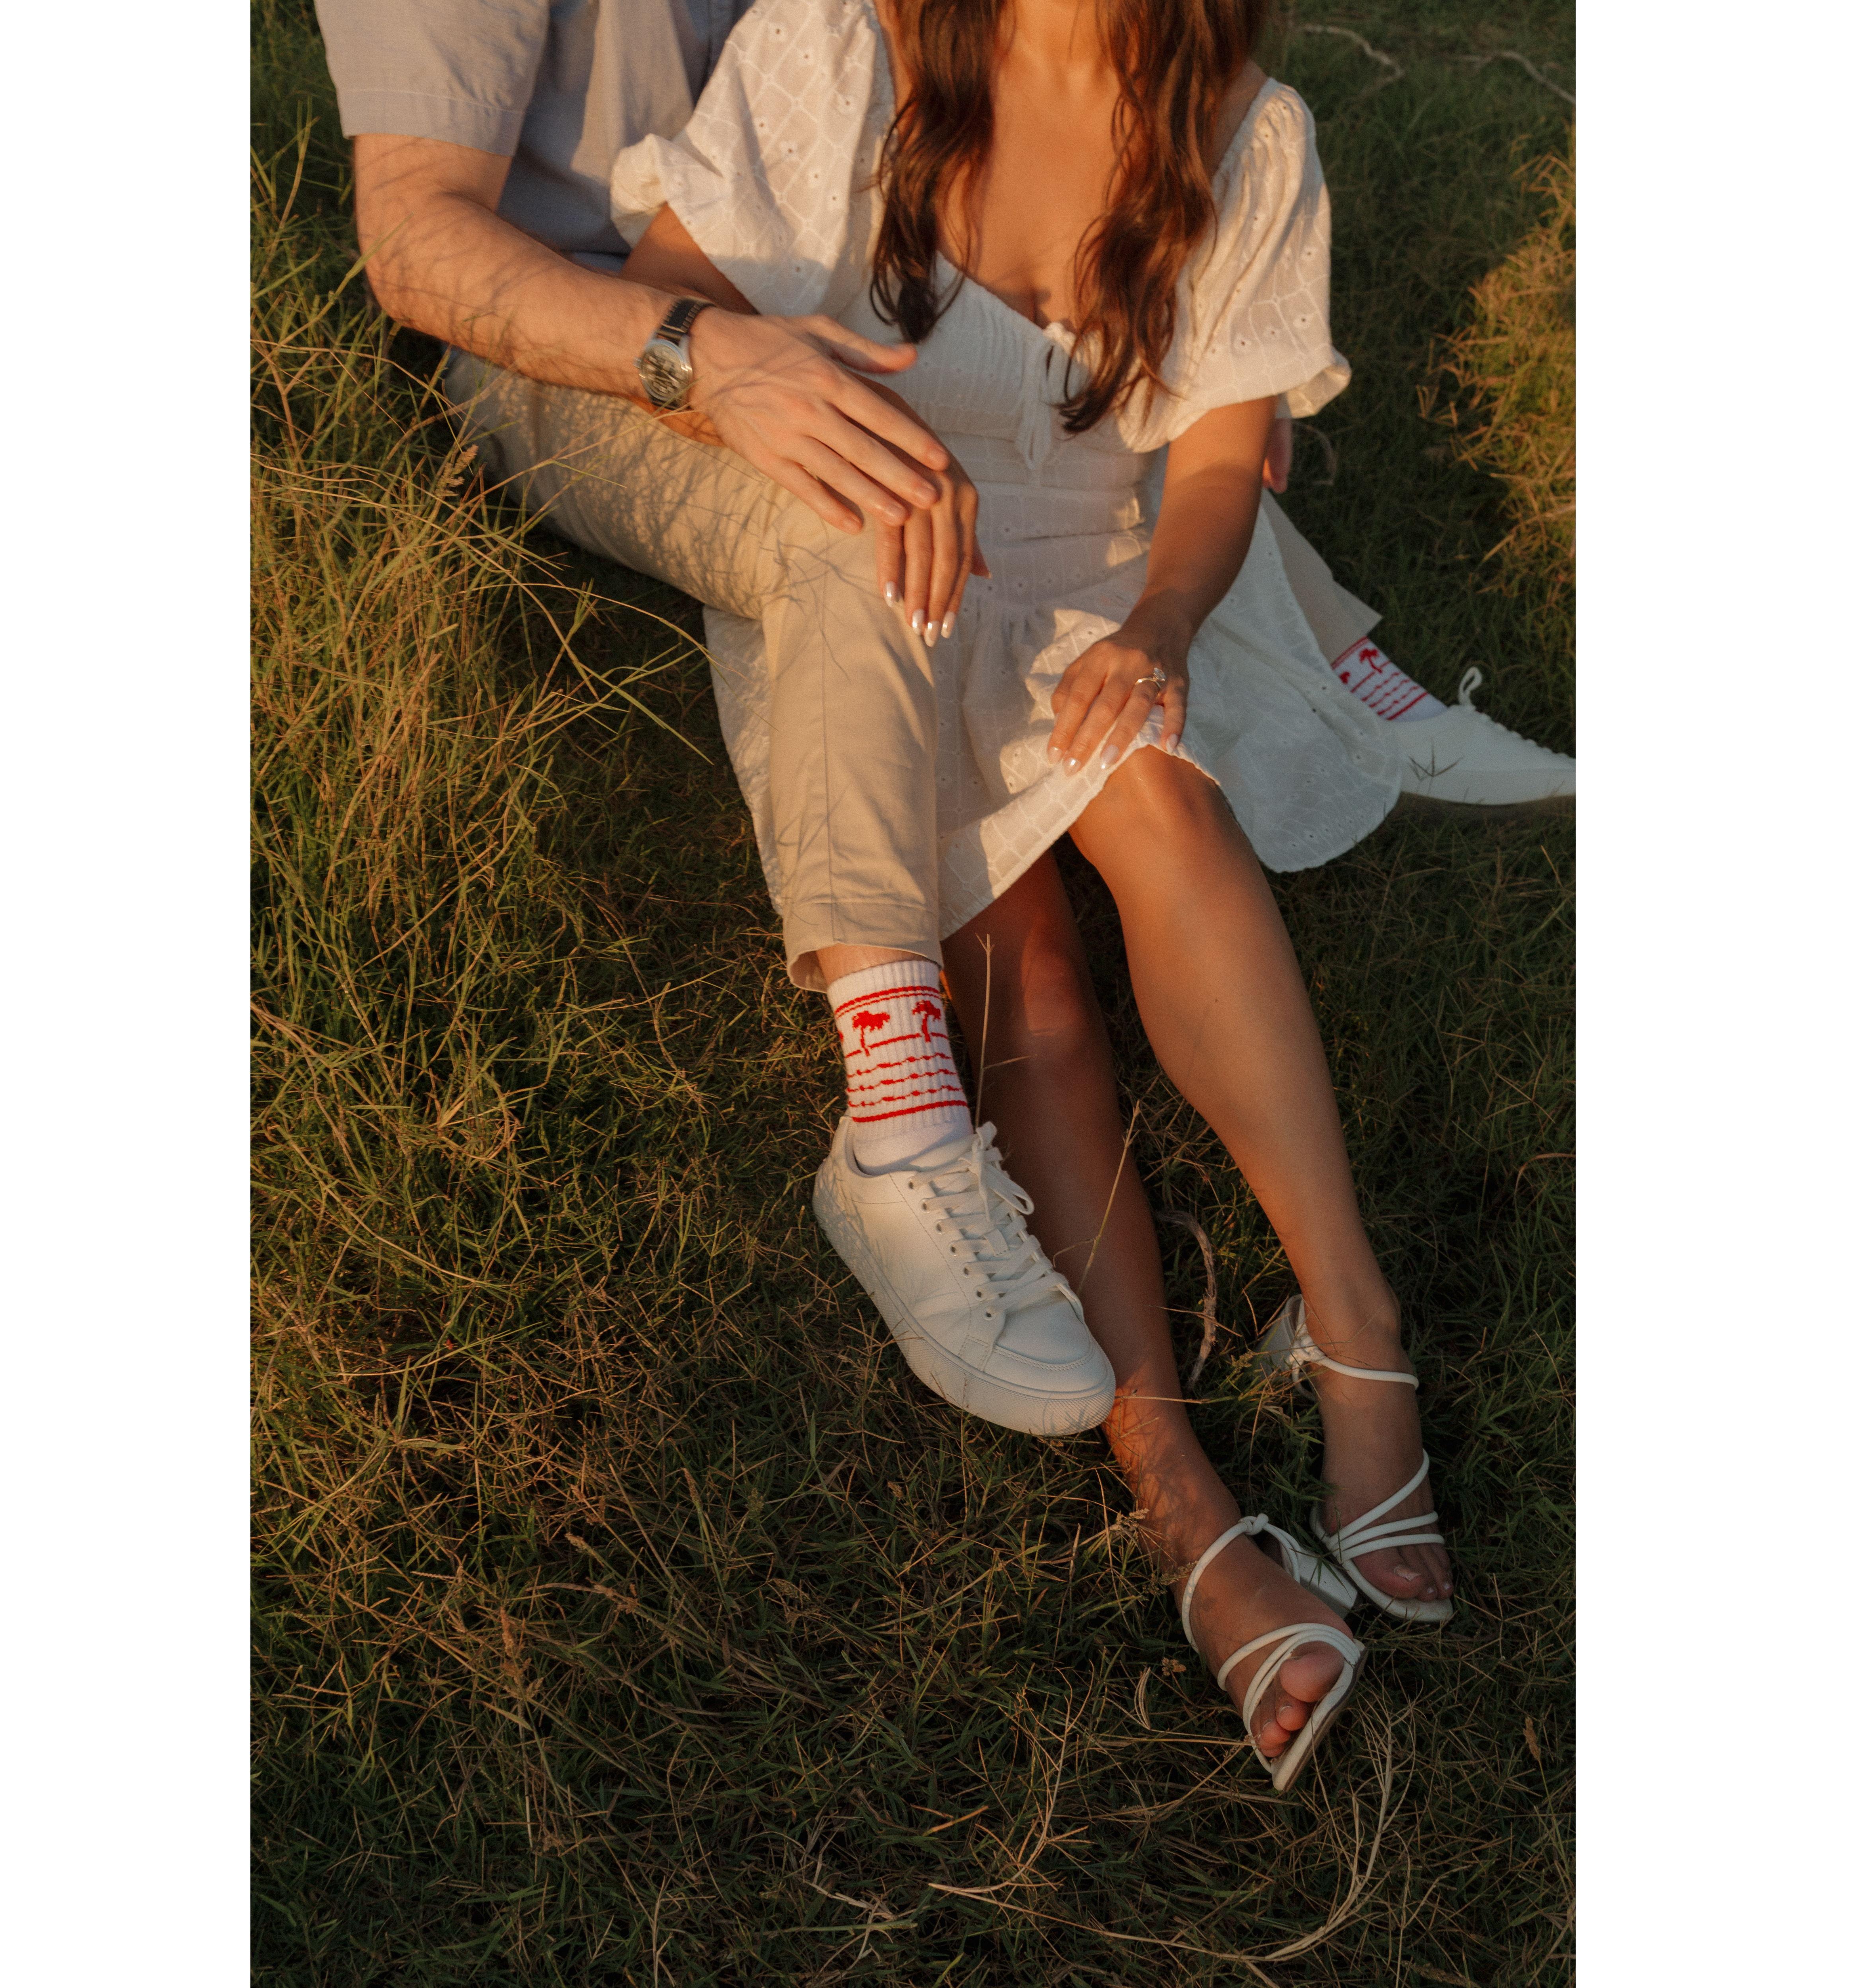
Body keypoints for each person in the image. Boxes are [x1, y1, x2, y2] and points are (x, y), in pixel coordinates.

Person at [607, 0, 1460, 1788]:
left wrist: (1160, 625)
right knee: (1028, 973)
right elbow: (669, 302)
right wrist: (806, 416)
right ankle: (1176, 1491)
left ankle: (1353, 1327)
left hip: (1094, 571)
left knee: (1164, 803)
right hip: (872, 568)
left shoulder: (1247, 133)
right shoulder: (843, 46)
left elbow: (1215, 455)